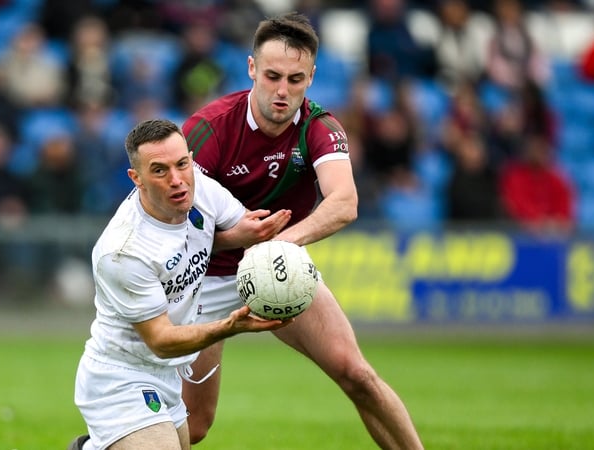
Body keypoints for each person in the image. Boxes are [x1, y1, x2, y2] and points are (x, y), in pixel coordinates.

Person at [181, 12, 425, 449]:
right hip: (204, 276)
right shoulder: (209, 128)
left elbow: (344, 202)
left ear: (311, 77)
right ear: (252, 68)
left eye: (295, 79)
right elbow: (175, 225)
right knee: (194, 426)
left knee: (357, 374)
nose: (282, 90)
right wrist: (241, 239)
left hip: (277, 267)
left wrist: (279, 244)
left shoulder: (320, 127)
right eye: (272, 75)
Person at [68, 119, 293, 450]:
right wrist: (229, 326)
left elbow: (243, 228)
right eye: (159, 171)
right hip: (120, 376)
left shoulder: (200, 187)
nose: (177, 180)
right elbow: (160, 340)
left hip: (167, 374)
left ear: (190, 158)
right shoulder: (123, 251)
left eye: (182, 164)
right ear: (137, 178)